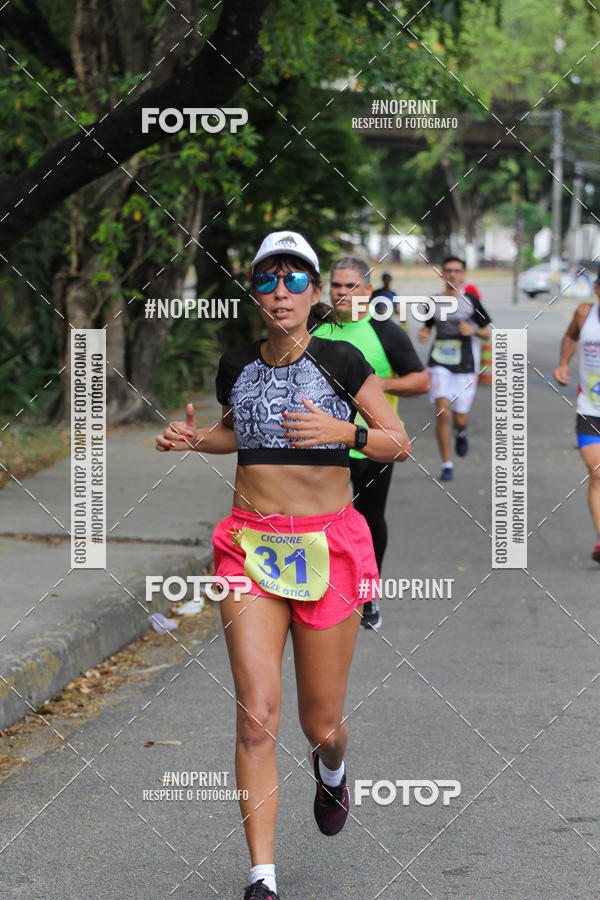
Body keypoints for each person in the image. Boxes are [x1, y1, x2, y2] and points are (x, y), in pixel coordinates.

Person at [156, 230, 411, 900]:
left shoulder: (344, 362)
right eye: (269, 279)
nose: (281, 292)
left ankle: (332, 771)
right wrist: (193, 440)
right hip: (250, 547)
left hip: (329, 549)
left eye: (296, 279)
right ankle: (262, 879)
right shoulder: (236, 363)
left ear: (316, 293)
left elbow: (397, 443)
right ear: (254, 292)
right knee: (256, 714)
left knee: (319, 724)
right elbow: (239, 434)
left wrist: (345, 434)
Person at [313, 256, 429, 629]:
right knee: (317, 519)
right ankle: (319, 589)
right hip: (318, 443)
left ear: (367, 290)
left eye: (350, 286)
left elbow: (420, 380)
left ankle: (368, 593)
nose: (342, 293)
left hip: (371, 442)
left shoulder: (384, 330)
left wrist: (380, 385)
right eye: (336, 286)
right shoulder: (316, 326)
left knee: (367, 520)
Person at [418, 256, 492, 482]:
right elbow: (427, 327)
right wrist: (425, 333)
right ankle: (447, 464)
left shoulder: (471, 301)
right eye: (448, 270)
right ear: (442, 274)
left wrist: (474, 331)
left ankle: (461, 431)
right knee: (442, 412)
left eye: (457, 271)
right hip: (439, 364)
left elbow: (487, 331)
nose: (452, 275)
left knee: (459, 417)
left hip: (465, 365)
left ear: (464, 274)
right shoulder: (433, 301)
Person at [553, 266, 600, 563]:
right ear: (597, 288)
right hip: (591, 409)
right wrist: (563, 363)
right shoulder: (585, 314)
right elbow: (571, 337)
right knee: (597, 474)